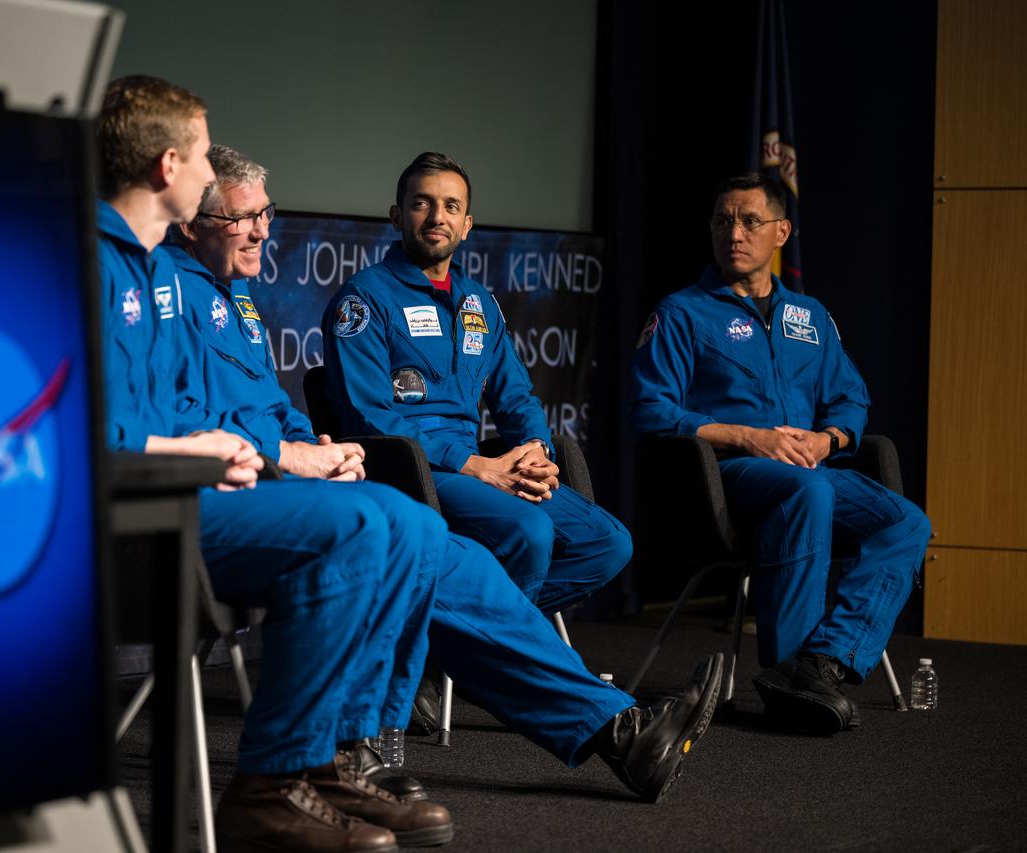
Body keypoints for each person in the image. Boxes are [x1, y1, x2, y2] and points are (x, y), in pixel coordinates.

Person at [165, 143, 724, 812]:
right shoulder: (168, 289)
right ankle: (369, 745)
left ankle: (613, 730)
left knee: (475, 552)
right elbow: (176, 418)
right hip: (270, 488)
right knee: (448, 536)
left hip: (302, 477)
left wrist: (303, 437)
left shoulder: (241, 293)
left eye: (265, 214)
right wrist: (290, 452)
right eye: (240, 218)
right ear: (185, 220)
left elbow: (266, 400)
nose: (261, 230)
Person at [96, 76, 453, 852]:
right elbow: (78, 426)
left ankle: (329, 762)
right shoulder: (91, 263)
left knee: (413, 524)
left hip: (189, 490)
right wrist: (186, 448)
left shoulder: (153, 265)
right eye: (200, 154)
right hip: (133, 516)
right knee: (362, 522)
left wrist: (235, 447)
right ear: (167, 167)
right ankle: (269, 781)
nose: (210, 173)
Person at [628, 173, 932, 735]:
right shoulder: (682, 313)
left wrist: (829, 439)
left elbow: (849, 398)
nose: (733, 234)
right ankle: (791, 670)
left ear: (781, 232)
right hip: (728, 478)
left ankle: (818, 665)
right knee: (807, 489)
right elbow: (651, 410)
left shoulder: (810, 317)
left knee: (907, 521)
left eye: (749, 221)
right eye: (723, 221)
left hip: (809, 468)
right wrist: (748, 436)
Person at [320, 152, 632, 616]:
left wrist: (535, 451)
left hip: (479, 469)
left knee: (607, 543)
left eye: (450, 206)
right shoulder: (364, 298)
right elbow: (368, 417)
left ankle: (452, 628)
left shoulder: (478, 303)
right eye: (422, 204)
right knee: (529, 531)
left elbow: (516, 395)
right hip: (412, 470)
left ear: (466, 225)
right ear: (397, 216)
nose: (436, 217)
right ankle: (503, 663)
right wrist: (472, 465)